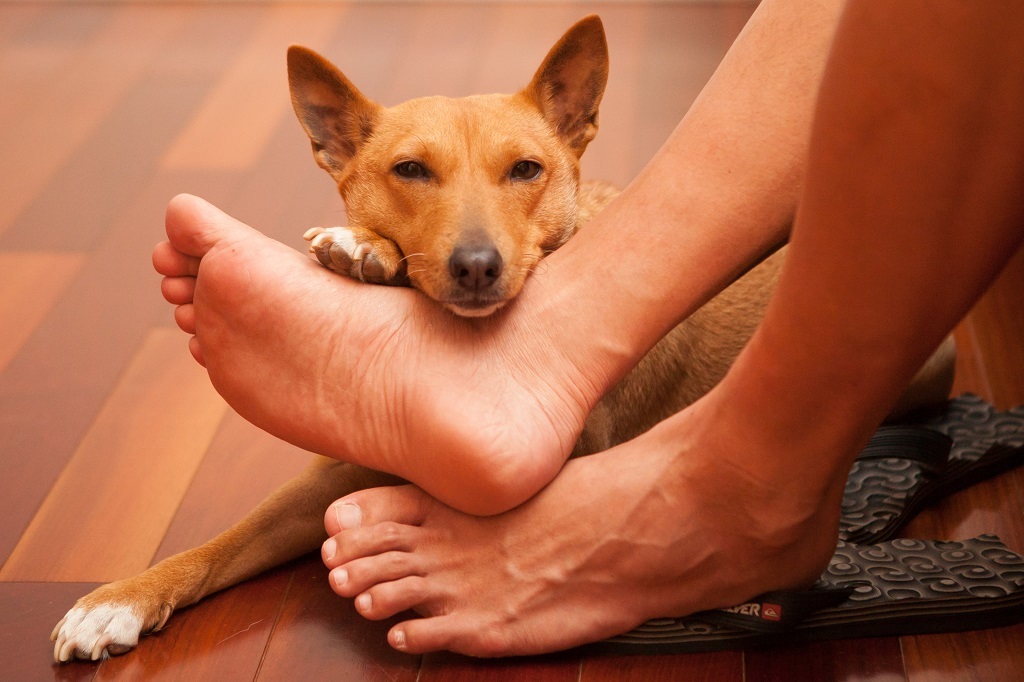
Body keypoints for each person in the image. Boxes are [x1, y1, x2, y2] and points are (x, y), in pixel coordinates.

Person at [152, 0, 1024, 657]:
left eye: (526, 170)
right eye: (412, 173)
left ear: (574, 130)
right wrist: (161, 585)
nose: (476, 251)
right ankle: (485, 346)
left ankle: (715, 471)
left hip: (904, 353)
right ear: (342, 157)